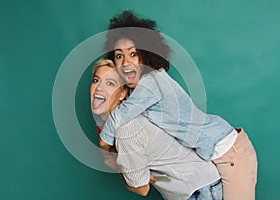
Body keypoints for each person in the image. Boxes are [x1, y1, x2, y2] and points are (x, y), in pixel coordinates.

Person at [98, 10, 258, 200]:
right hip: (214, 155)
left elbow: (121, 115)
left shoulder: (152, 82)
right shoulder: (137, 91)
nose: (126, 62)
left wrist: (104, 141)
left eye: (134, 54)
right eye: (118, 56)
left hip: (230, 152)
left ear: (147, 54)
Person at [90, 58, 223, 200]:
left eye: (110, 83)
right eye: (96, 80)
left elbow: (141, 189)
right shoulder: (116, 126)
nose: (99, 88)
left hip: (200, 191)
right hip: (198, 187)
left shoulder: (126, 129)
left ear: (122, 94)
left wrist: (113, 161)